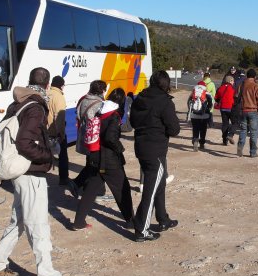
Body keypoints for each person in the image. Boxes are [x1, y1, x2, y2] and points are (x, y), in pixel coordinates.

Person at [0, 67, 74, 276]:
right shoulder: (36, 108)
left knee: (18, 221)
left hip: (19, 173)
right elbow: (25, 142)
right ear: (47, 86)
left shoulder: (19, 103)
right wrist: (47, 156)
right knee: (38, 227)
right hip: (31, 174)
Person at [71, 88, 135, 231]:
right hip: (109, 160)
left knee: (90, 191)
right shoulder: (114, 115)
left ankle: (78, 222)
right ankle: (131, 221)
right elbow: (110, 138)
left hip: (94, 157)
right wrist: (120, 148)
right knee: (122, 189)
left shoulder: (100, 110)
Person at [130, 70, 180, 242]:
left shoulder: (140, 98)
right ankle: (141, 229)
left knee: (159, 184)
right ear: (166, 84)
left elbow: (133, 122)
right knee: (150, 190)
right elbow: (174, 129)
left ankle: (163, 219)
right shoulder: (164, 102)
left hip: (141, 147)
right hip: (155, 149)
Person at [71, 80, 107, 199]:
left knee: (90, 163)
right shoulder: (99, 104)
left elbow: (78, 116)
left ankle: (86, 187)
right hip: (94, 140)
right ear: (102, 90)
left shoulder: (83, 100)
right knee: (96, 165)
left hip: (84, 137)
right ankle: (87, 187)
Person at [46, 75, 70, 187]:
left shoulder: (46, 93)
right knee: (63, 156)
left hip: (45, 131)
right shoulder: (59, 96)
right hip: (55, 131)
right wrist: (61, 134)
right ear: (61, 85)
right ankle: (64, 178)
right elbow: (59, 118)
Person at [237, 69, 258, 157]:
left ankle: (240, 146)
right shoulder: (256, 86)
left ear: (247, 76)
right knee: (253, 132)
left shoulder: (242, 85)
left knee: (243, 130)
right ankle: (253, 152)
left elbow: (236, 97)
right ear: (255, 76)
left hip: (243, 110)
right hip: (253, 111)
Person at [187, 81, 213, 151]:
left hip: (194, 115)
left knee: (195, 129)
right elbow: (210, 104)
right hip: (204, 115)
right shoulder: (207, 93)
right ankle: (202, 143)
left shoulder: (193, 93)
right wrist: (208, 109)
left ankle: (195, 140)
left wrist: (190, 110)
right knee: (203, 129)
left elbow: (188, 102)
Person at [214, 75, 236, 145]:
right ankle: (230, 135)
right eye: (233, 81)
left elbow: (216, 97)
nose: (233, 82)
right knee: (235, 123)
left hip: (222, 108)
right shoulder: (232, 88)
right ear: (230, 81)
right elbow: (235, 97)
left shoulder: (220, 87)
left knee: (225, 124)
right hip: (231, 107)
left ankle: (224, 140)